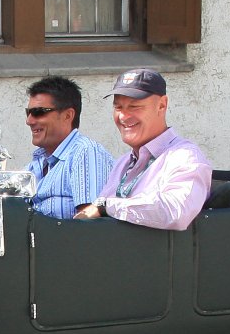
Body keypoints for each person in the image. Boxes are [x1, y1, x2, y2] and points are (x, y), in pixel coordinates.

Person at [73, 69, 213, 230]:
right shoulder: (123, 162)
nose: (123, 116)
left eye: (134, 107)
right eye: (118, 107)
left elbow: (175, 212)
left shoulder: (184, 157)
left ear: (162, 105)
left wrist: (106, 206)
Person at [22, 76, 116, 220]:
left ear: (68, 115)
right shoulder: (34, 165)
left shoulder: (85, 152)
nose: (29, 121)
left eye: (38, 112)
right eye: (28, 113)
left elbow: (91, 224)